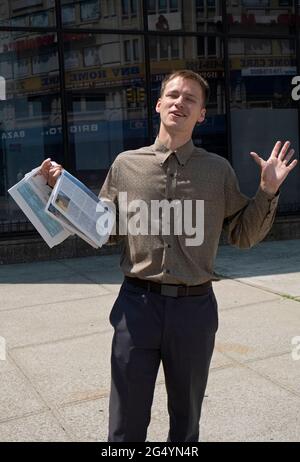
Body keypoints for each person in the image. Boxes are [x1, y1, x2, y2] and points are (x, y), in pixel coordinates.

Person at [40, 70, 297, 442]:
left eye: (190, 98)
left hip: (194, 312)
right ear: (159, 105)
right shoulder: (126, 165)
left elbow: (243, 234)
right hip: (136, 307)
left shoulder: (217, 171)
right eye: (173, 95)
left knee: (186, 424)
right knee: (125, 425)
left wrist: (267, 193)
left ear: (202, 114)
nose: (180, 102)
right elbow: (102, 228)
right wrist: (62, 189)